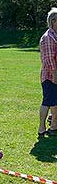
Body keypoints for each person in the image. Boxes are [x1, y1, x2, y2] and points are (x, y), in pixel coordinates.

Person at [38, 8, 57, 137]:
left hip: (54, 75)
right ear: (54, 21)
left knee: (54, 102)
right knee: (48, 101)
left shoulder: (55, 35)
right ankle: (42, 127)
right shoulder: (48, 37)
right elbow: (49, 60)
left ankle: (53, 125)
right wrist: (55, 76)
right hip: (50, 76)